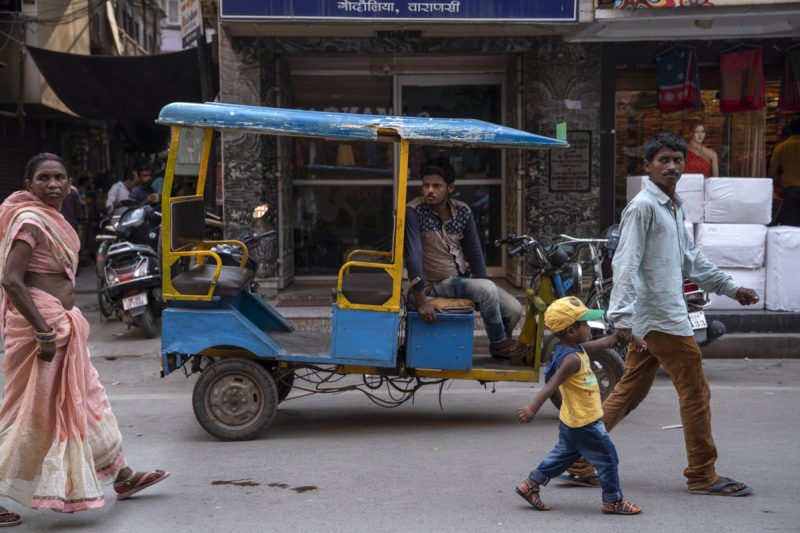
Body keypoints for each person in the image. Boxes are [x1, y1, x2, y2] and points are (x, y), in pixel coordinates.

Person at [561, 133, 760, 496]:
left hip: (654, 319)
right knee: (696, 394)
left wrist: (731, 287)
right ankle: (702, 474)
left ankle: (576, 460)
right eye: (663, 160)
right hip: (661, 319)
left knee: (627, 392)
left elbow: (691, 260)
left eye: (677, 160)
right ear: (648, 165)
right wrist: (621, 319)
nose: (671, 166)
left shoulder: (673, 206)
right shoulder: (643, 207)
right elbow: (625, 262)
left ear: (685, 165)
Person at [0, 153, 169, 525]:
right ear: (28, 186)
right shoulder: (30, 221)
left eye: (59, 177)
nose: (53, 184)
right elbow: (11, 279)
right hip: (42, 332)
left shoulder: (55, 220)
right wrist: (43, 331)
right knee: (27, 415)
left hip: (63, 328)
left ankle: (122, 476)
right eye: (43, 178)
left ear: (70, 183)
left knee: (87, 402)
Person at [515, 297, 644, 515]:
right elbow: (551, 385)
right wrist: (532, 409)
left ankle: (530, 484)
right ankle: (613, 501)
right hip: (585, 423)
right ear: (571, 331)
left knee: (564, 456)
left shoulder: (576, 348)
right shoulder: (572, 359)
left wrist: (633, 338)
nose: (588, 327)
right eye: (584, 324)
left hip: (572, 421)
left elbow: (607, 342)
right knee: (608, 459)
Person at [405, 157, 522, 358]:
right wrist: (421, 300)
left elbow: (475, 253)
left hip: (462, 281)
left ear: (450, 188)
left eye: (436, 186)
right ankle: (500, 343)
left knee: (514, 308)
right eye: (425, 185)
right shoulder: (414, 211)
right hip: (433, 284)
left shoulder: (463, 212)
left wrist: (485, 284)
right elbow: (413, 256)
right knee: (486, 290)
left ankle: (499, 348)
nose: (429, 190)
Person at [769, 116, 800, 227]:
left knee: (792, 226)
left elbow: (772, 172)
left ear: (790, 130)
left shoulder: (781, 147)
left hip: (790, 190)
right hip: (790, 190)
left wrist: (781, 184)